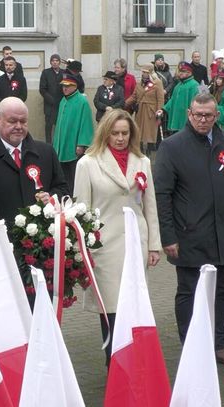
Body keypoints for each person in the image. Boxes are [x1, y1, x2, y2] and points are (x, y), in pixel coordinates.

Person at [154, 93, 224, 367]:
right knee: (189, 292)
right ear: (189, 113)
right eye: (197, 114)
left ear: (216, 115)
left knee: (222, 289)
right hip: (188, 236)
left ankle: (219, 344)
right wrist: (168, 236)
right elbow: (162, 195)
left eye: (208, 115)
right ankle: (191, 346)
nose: (202, 120)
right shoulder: (172, 147)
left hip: (223, 233)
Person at [74, 109, 161, 367]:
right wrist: (82, 252)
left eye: (125, 133)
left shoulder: (142, 161)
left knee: (135, 309)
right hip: (104, 249)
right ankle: (114, 364)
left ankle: (136, 364)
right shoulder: (87, 164)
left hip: (136, 246)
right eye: (115, 133)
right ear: (105, 133)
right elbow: (81, 211)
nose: (120, 138)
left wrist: (153, 245)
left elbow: (150, 206)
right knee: (111, 311)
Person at [0, 97, 68, 226]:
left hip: (40, 240)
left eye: (23, 121)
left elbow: (63, 189)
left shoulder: (46, 153)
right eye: (12, 121)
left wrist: (51, 197)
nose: (19, 127)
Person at [52, 74, 94, 194]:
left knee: (74, 175)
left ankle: (75, 196)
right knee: (62, 175)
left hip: (74, 144)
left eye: (68, 86)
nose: (64, 88)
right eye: (63, 86)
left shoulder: (82, 101)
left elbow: (86, 124)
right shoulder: (63, 100)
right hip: (61, 144)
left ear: (75, 86)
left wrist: (81, 144)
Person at [125, 63, 165, 156]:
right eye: (142, 71)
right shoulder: (139, 83)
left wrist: (159, 110)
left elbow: (160, 98)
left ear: (150, 72)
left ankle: (149, 153)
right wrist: (123, 104)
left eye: (145, 72)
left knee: (149, 133)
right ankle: (140, 152)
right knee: (139, 132)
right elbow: (134, 96)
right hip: (140, 111)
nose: (143, 73)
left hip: (151, 111)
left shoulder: (157, 82)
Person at [158, 62, 199, 134]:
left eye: (183, 71)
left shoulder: (194, 85)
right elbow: (172, 100)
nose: (180, 73)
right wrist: (163, 110)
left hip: (186, 121)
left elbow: (196, 104)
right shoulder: (178, 85)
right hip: (176, 119)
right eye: (180, 71)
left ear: (189, 73)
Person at [39, 53, 64, 143]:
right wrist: (50, 99)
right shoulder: (46, 72)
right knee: (48, 127)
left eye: (56, 61)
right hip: (50, 105)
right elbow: (42, 89)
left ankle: (59, 144)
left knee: (60, 126)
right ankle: (48, 144)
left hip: (61, 104)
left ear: (59, 62)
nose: (55, 63)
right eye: (53, 61)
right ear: (50, 62)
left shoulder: (64, 73)